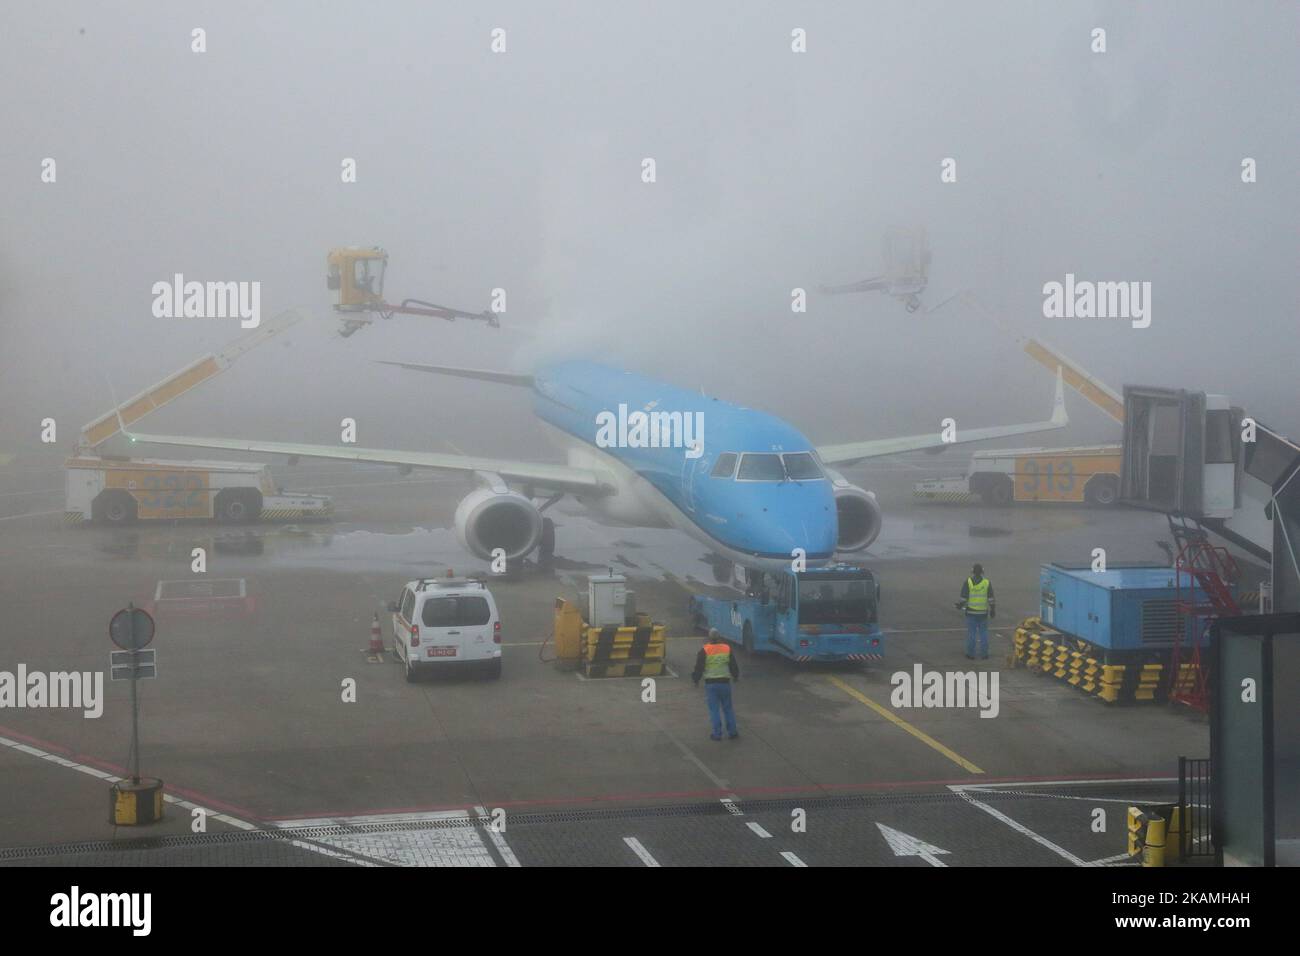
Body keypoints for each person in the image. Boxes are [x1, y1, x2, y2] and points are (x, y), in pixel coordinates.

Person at [692, 628, 740, 740]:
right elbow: (733, 665)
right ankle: (733, 732)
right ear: (719, 637)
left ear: (709, 638)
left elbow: (699, 667)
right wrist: (735, 676)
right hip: (725, 683)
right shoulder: (726, 648)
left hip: (711, 684)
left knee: (714, 710)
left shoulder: (704, 650)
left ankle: (717, 734)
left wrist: (696, 679)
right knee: (728, 708)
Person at [955, 563, 996, 660]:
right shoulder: (986, 582)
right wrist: (993, 609)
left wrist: (959, 605)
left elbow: (963, 598)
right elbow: (991, 598)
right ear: (982, 572)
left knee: (971, 633)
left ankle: (970, 654)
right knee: (984, 633)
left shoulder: (968, 582)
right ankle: (984, 654)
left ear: (973, 572)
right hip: (983, 613)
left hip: (971, 613)